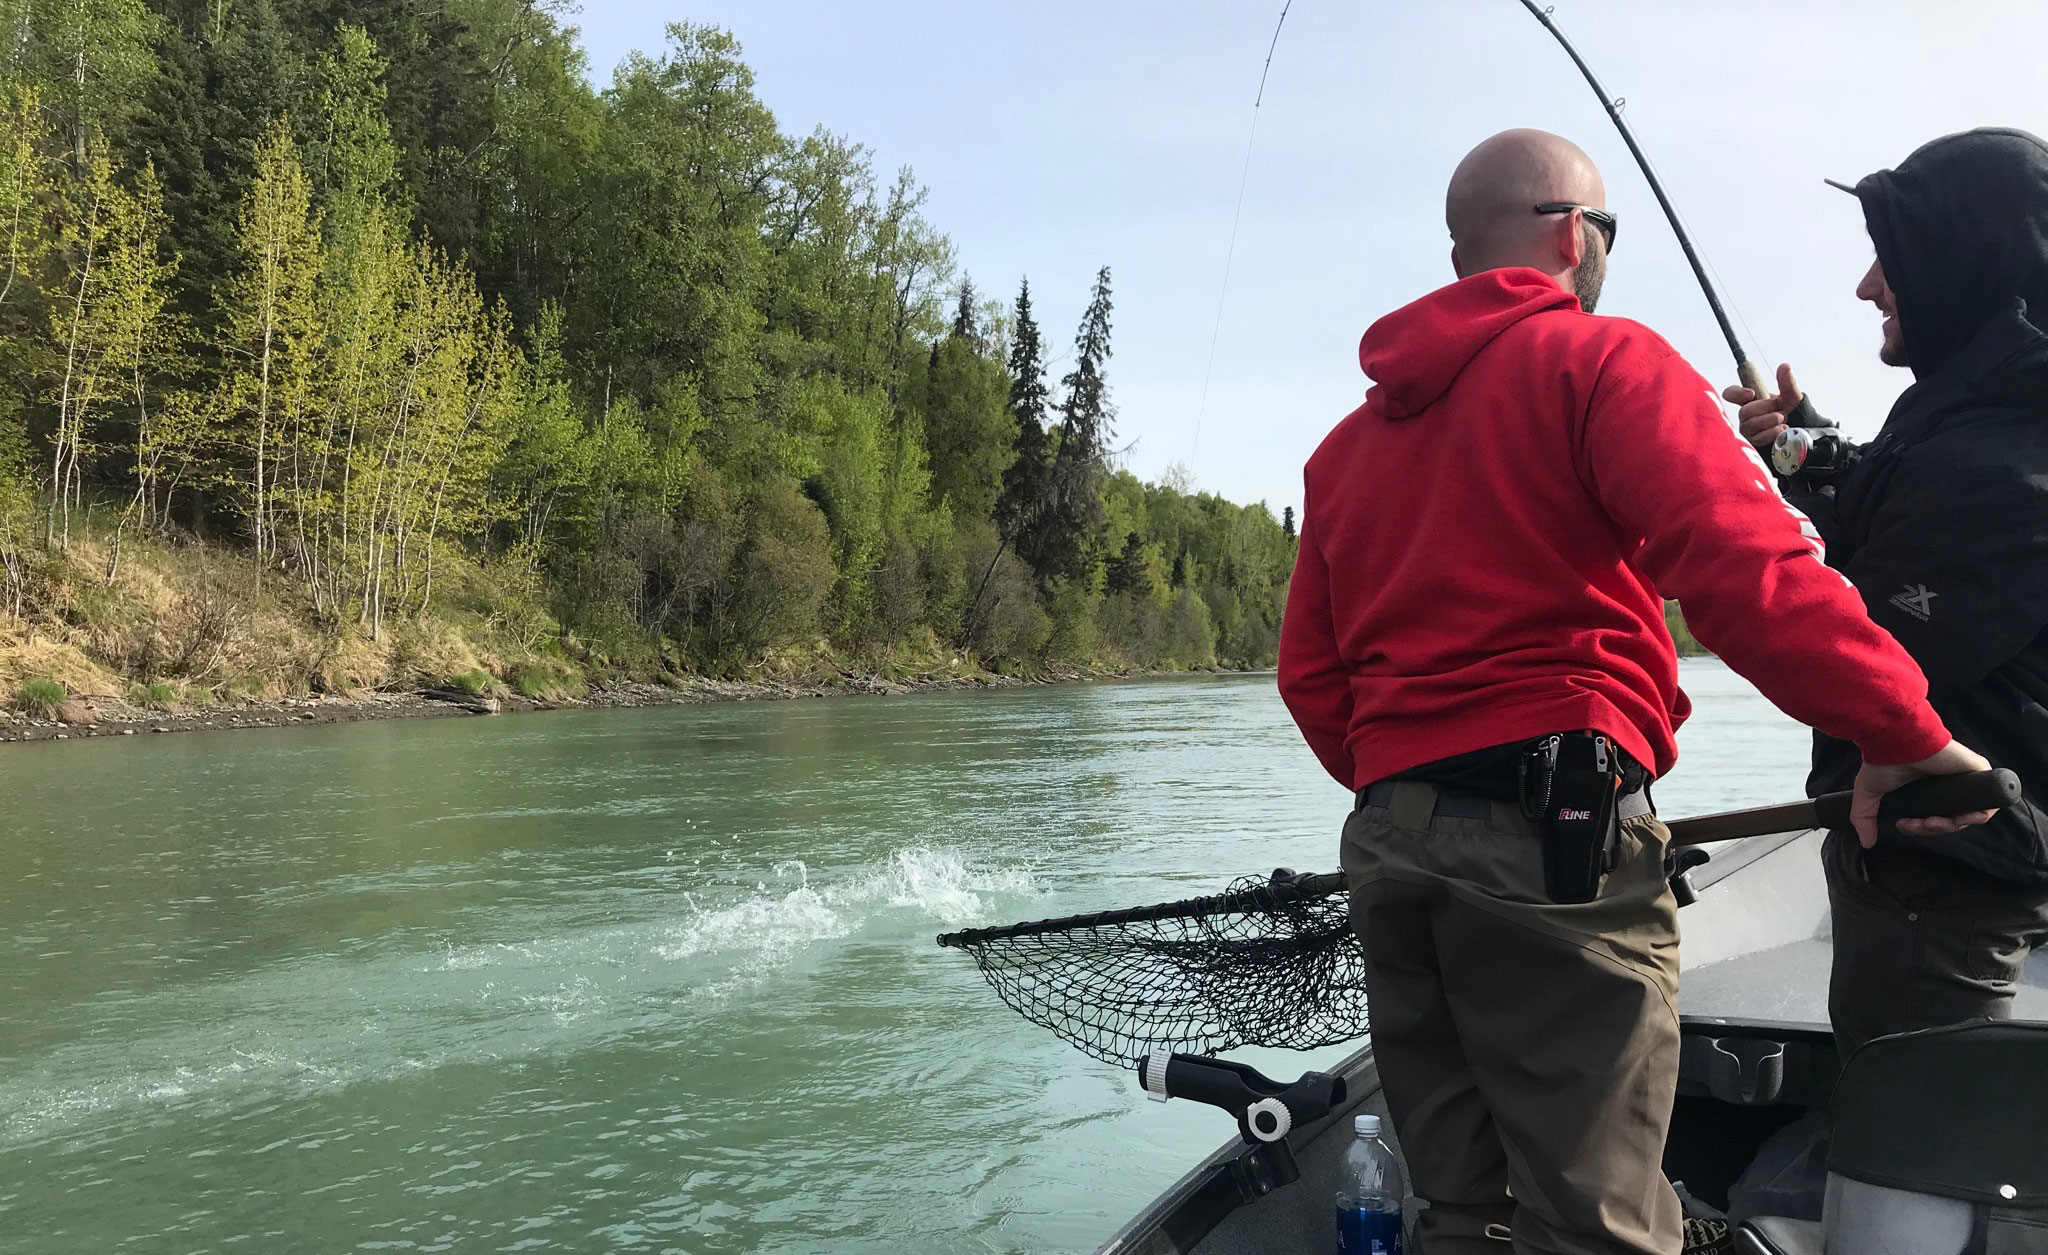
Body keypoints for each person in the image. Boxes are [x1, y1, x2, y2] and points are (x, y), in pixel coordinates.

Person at [1277, 128, 1994, 1255]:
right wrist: (1898, 729)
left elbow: (1313, 682)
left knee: (1463, 1210)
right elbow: (1745, 576)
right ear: (1574, 234)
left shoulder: (1342, 449)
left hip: (1390, 845)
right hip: (1555, 842)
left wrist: (1418, 791)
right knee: (1595, 1222)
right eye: (1604, 230)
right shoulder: (1605, 362)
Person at [1722, 127, 2048, 1059]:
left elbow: (1861, 640)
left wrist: (1705, 517)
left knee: (1913, 1148)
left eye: (1892, 258)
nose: (1868, 284)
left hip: (1947, 876)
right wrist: (1803, 446)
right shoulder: (1991, 407)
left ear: (1966, 267)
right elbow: (1903, 499)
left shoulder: (1995, 462)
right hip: (1979, 850)